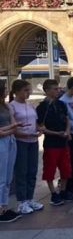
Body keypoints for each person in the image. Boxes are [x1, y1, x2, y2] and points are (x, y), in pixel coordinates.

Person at [36, 79, 73, 206]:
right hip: (51, 143)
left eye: (58, 88)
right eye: (55, 89)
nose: (58, 91)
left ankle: (63, 190)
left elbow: (67, 119)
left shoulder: (61, 104)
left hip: (63, 142)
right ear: (47, 90)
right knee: (50, 169)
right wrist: (56, 133)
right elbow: (41, 127)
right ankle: (53, 193)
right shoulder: (42, 107)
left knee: (66, 168)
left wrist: (67, 131)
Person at [9, 79, 43, 215]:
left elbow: (36, 122)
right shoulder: (12, 106)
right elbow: (12, 126)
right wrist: (22, 134)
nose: (28, 93)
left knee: (32, 170)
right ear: (17, 92)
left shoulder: (30, 105)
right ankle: (21, 200)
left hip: (33, 141)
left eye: (29, 90)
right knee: (21, 171)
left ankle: (30, 198)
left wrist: (39, 129)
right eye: (25, 90)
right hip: (20, 141)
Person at [0, 81, 22, 223]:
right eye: (4, 89)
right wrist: (11, 128)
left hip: (10, 140)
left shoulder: (6, 106)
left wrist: (12, 128)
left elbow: (13, 125)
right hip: (2, 142)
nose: (7, 92)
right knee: (1, 177)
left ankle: (4, 206)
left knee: (8, 177)